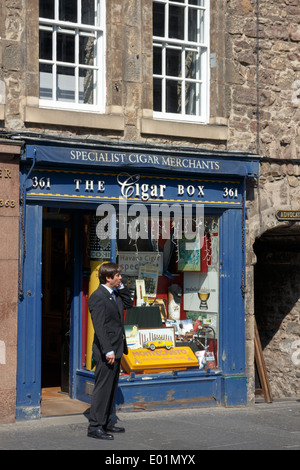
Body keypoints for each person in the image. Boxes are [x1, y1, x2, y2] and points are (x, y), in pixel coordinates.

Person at [87, 262, 133, 440]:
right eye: (117, 276)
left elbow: (129, 303)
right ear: (108, 277)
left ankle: (106, 423)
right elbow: (99, 327)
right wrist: (108, 351)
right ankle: (95, 426)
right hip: (107, 351)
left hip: (117, 348)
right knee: (102, 388)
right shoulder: (97, 296)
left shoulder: (115, 294)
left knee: (112, 389)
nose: (120, 278)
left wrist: (121, 287)